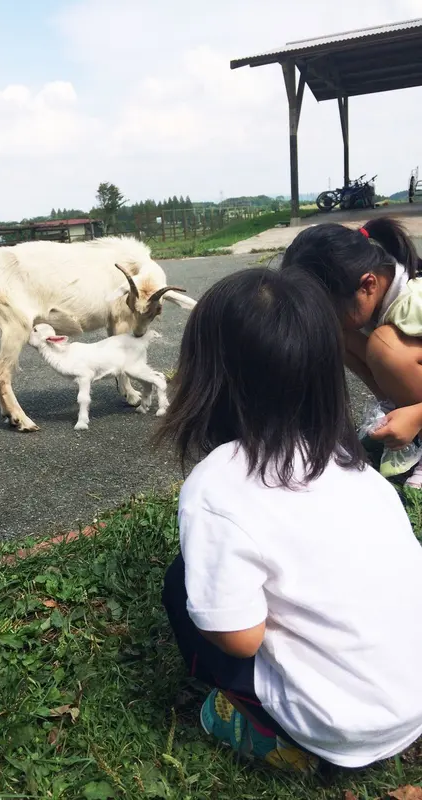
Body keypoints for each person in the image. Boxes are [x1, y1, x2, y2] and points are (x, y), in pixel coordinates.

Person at [158, 268, 422, 772]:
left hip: (342, 727)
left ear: (205, 378)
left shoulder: (216, 486)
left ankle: (278, 738)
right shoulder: (355, 467)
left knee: (178, 585)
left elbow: (241, 640)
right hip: (413, 695)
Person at [281, 216, 422, 487]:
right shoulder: (375, 295)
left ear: (367, 285)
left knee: (386, 348)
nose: (323, 319)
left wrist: (417, 415)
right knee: (340, 335)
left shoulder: (414, 304)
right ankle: (396, 411)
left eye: (329, 309)